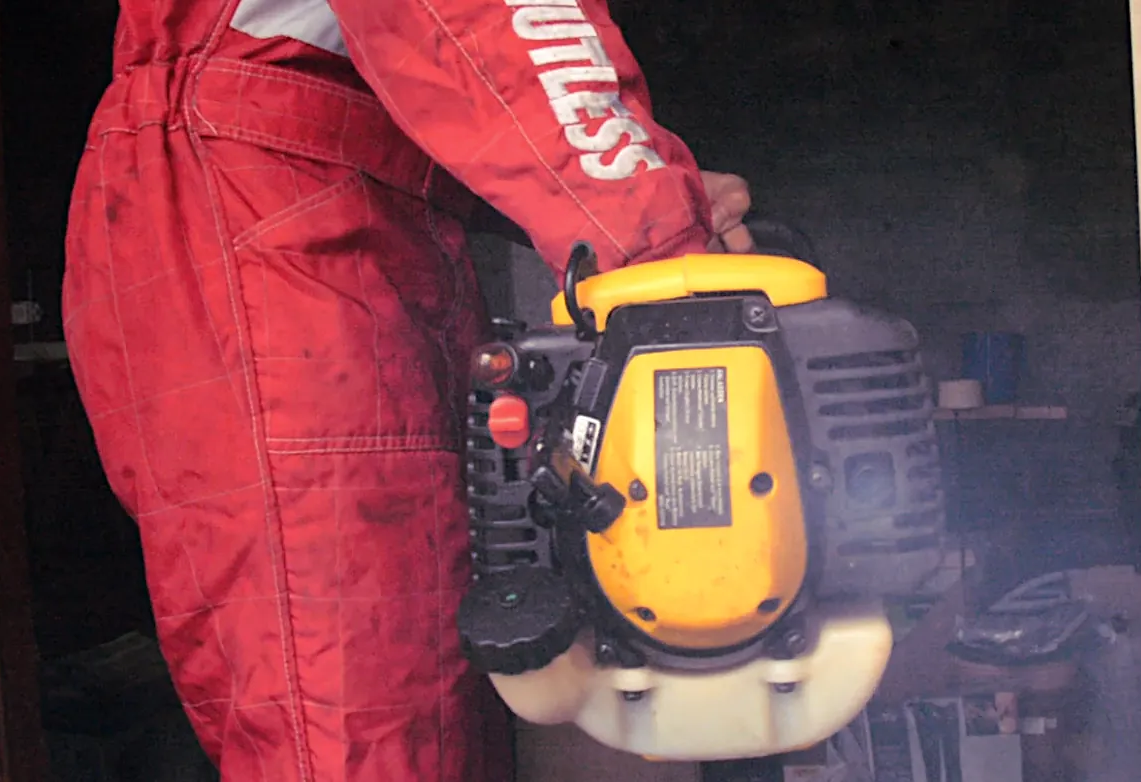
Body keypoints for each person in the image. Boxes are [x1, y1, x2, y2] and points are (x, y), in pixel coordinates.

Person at [61, 0, 753, 779]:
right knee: (357, 713)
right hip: (282, 228)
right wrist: (662, 241)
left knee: (361, 688)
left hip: (275, 197)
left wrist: (652, 194)